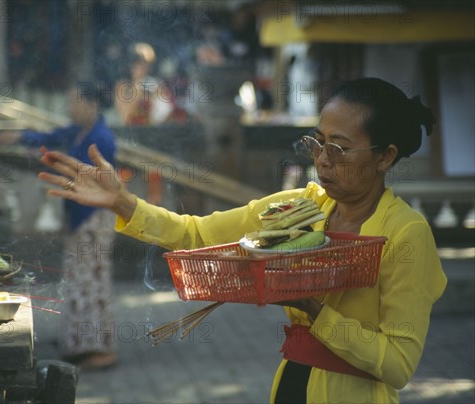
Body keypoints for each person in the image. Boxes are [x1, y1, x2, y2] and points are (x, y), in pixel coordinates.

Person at [35, 78, 447, 402]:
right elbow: (196, 231)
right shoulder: (300, 207)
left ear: (385, 156)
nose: (322, 159)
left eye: (339, 148)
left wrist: (314, 310)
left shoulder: (406, 233)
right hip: (289, 385)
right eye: (317, 142)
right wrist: (124, 203)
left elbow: (397, 365)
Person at [0, 85, 118, 369]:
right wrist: (21, 137)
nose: (70, 107)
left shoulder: (101, 138)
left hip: (94, 216)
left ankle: (102, 349)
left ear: (91, 104)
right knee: (80, 282)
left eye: (74, 101)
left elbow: (80, 176)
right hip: (79, 216)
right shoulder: (80, 131)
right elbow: (52, 138)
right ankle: (81, 346)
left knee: (94, 282)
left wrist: (37, 163)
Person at [114, 42, 174, 126]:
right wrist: (138, 89)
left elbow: (167, 114)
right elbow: (124, 118)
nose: (142, 67)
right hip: (129, 133)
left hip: (151, 132)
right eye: (137, 62)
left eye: (146, 63)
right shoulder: (122, 86)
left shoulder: (155, 84)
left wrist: (154, 95)